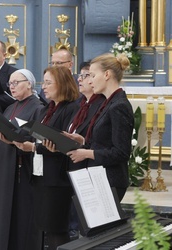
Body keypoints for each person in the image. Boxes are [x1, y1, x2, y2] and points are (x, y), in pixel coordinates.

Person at [16, 66, 80, 249]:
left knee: (56, 229)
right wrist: (17, 139)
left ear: (62, 84)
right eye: (43, 82)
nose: (44, 86)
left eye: (48, 82)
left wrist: (34, 146)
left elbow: (65, 142)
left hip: (57, 179)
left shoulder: (71, 109)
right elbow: (37, 135)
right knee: (46, 228)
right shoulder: (47, 109)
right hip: (41, 175)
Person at [66, 53, 134, 202]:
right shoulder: (108, 103)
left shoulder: (119, 106)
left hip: (110, 180)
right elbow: (104, 142)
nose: (90, 81)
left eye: (92, 75)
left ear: (107, 74)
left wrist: (86, 153)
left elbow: (121, 153)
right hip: (99, 176)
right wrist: (83, 141)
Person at [0, 69, 45, 250]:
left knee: (21, 220)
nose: (12, 87)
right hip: (4, 169)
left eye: (16, 83)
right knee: (3, 217)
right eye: (10, 84)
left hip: (23, 171)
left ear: (29, 84)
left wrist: (14, 140)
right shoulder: (9, 108)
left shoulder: (38, 108)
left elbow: (38, 140)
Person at [66, 61, 105, 239]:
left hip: (89, 169)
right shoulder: (80, 104)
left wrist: (81, 141)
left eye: (85, 75)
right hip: (74, 165)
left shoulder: (101, 105)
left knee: (87, 230)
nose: (80, 79)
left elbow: (97, 140)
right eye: (79, 76)